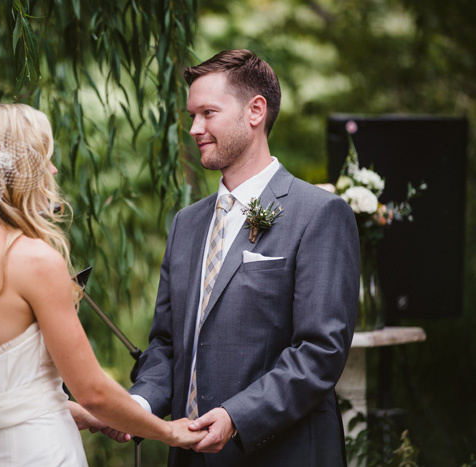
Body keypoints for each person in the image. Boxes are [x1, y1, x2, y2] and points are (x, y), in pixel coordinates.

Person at [0, 103, 206, 466]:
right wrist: (170, 432)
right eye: (45, 158)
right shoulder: (33, 259)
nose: (54, 170)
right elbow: (93, 391)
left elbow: (4, 401)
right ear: (19, 170)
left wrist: (92, 415)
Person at [129, 49, 361, 466]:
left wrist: (237, 417)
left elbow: (319, 351)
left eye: (208, 113)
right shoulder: (186, 223)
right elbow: (166, 343)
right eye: (191, 116)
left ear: (255, 111)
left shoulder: (320, 214)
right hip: (189, 456)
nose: (195, 128)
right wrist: (139, 408)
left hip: (280, 454)